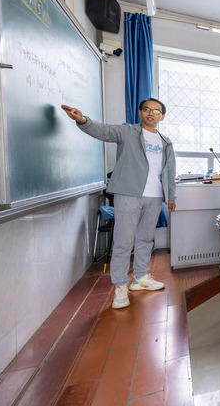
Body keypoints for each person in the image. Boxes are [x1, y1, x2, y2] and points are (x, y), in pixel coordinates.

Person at [61, 99, 175, 309]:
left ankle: (140, 278)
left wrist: (171, 196)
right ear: (140, 113)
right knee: (123, 242)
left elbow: (169, 171)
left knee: (146, 240)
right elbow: (104, 131)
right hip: (128, 193)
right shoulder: (128, 132)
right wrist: (83, 120)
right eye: (147, 110)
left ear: (162, 116)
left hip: (154, 196)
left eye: (156, 111)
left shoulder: (166, 142)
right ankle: (120, 286)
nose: (151, 113)